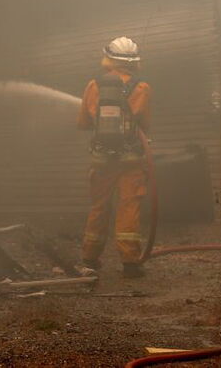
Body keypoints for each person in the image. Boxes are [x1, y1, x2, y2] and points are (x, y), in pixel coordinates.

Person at [76, 36, 151, 278]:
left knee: (99, 207)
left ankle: (89, 258)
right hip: (131, 161)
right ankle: (130, 263)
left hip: (101, 160)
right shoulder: (142, 88)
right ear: (135, 62)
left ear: (108, 58)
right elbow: (145, 124)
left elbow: (83, 123)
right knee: (129, 207)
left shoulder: (93, 85)